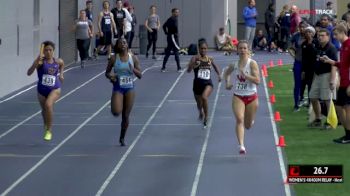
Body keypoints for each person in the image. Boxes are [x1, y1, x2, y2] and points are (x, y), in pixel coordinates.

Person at [224, 40, 260, 154]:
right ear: (237, 50)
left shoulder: (252, 63)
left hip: (251, 96)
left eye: (245, 48)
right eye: (240, 48)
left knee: (248, 125)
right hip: (238, 96)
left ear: (248, 50)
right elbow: (227, 73)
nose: (243, 50)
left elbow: (258, 81)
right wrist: (228, 82)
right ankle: (241, 145)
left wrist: (246, 76)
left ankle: (250, 121)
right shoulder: (234, 64)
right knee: (239, 119)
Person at [105, 37, 142, 146]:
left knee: (125, 116)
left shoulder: (133, 58)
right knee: (116, 112)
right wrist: (111, 76)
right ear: (117, 46)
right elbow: (107, 73)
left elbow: (140, 75)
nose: (123, 44)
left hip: (129, 88)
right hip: (118, 87)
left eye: (125, 42)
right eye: (120, 43)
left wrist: (133, 69)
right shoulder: (113, 58)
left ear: (127, 45)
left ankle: (122, 137)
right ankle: (116, 106)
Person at [27, 41, 65, 141]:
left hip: (55, 89)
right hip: (41, 90)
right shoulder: (40, 63)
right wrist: (36, 61)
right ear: (43, 51)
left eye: (50, 50)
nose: (48, 52)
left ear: (53, 51)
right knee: (44, 111)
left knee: (48, 105)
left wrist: (61, 74)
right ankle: (46, 125)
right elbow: (29, 73)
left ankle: (49, 130)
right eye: (46, 50)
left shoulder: (58, 61)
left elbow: (62, 64)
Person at [320, 25, 350, 144]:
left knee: (347, 109)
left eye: (336, 34)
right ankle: (347, 134)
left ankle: (348, 136)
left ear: (343, 32)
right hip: (343, 81)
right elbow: (343, 64)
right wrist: (330, 61)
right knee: (339, 107)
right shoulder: (343, 46)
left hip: (348, 82)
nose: (335, 37)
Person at [187, 38, 221, 128]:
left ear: (207, 49)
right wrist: (193, 64)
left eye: (205, 48)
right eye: (202, 48)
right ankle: (201, 112)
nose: (203, 50)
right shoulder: (195, 58)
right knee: (199, 104)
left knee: (204, 97)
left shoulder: (210, 58)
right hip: (197, 85)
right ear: (199, 48)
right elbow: (188, 70)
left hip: (208, 84)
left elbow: (215, 66)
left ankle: (206, 117)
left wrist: (219, 75)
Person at [308, 28, 338, 129]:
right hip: (317, 75)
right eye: (319, 35)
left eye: (322, 35)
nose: (320, 37)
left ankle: (330, 122)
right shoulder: (318, 46)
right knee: (312, 96)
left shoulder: (331, 48)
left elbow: (334, 65)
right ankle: (318, 118)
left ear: (328, 37)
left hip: (327, 75)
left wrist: (332, 80)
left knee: (327, 99)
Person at [290, 21, 307, 111]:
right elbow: (290, 48)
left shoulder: (311, 36)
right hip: (298, 63)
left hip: (308, 64)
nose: (302, 29)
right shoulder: (296, 36)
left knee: (309, 84)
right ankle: (296, 104)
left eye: (304, 27)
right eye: (300, 27)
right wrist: (294, 56)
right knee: (297, 84)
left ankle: (309, 103)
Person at [162, 8, 181, 72]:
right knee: (176, 52)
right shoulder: (172, 19)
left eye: (178, 12)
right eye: (176, 12)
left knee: (168, 52)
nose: (177, 13)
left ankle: (163, 67)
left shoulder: (173, 19)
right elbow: (165, 26)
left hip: (171, 37)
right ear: (172, 12)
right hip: (173, 38)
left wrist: (166, 33)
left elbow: (164, 26)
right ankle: (179, 68)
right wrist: (174, 33)